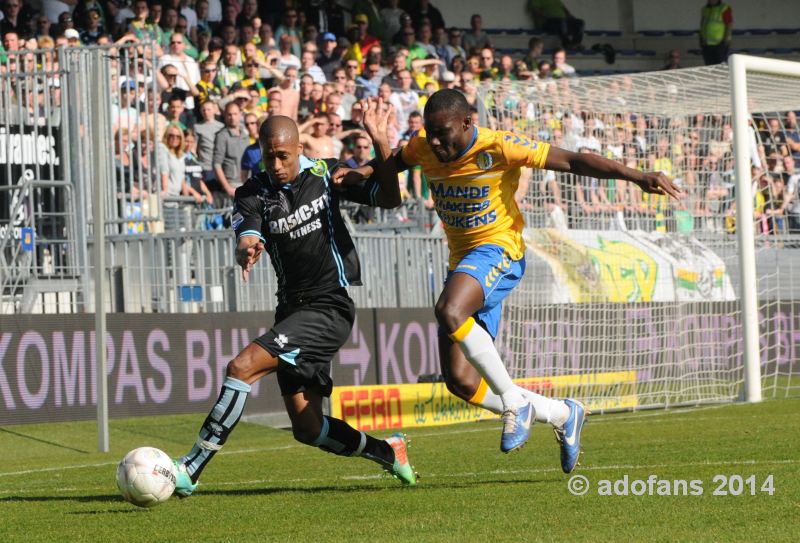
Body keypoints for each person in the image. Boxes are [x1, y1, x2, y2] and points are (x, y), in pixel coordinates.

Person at [335, 89, 683, 471]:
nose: (435, 141)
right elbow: (394, 164)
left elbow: (573, 160)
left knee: (449, 310)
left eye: (442, 132)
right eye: (429, 133)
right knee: (461, 381)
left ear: (468, 122)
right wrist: (363, 170)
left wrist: (636, 177)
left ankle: (515, 404)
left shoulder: (500, 147)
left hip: (500, 250)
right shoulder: (423, 146)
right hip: (464, 265)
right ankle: (562, 414)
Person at [171, 100, 417, 496]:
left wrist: (380, 141)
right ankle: (388, 451)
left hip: (330, 306)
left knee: (241, 367)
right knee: (307, 428)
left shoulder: (326, 174)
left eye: (284, 155)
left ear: (300, 149)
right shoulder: (251, 192)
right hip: (291, 309)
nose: (277, 164)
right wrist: (246, 246)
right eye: (269, 156)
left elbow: (389, 198)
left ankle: (191, 468)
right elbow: (247, 231)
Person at [699, 0, 732, 65]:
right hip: (707, 43)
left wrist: (726, 38)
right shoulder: (705, 9)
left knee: (720, 65)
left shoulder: (724, 8)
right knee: (709, 65)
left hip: (720, 43)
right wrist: (701, 38)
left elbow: (729, 24)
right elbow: (702, 25)